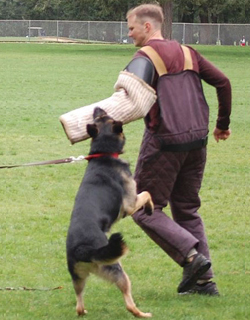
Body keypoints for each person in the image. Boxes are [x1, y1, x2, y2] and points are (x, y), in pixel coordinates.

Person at [125, 3, 232, 296]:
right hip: (197, 142)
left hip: (164, 144)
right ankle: (205, 283)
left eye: (131, 27)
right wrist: (222, 124)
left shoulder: (144, 56)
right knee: (187, 210)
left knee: (143, 207)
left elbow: (124, 99)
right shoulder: (188, 53)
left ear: (148, 27)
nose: (129, 33)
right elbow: (223, 82)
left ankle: (192, 258)